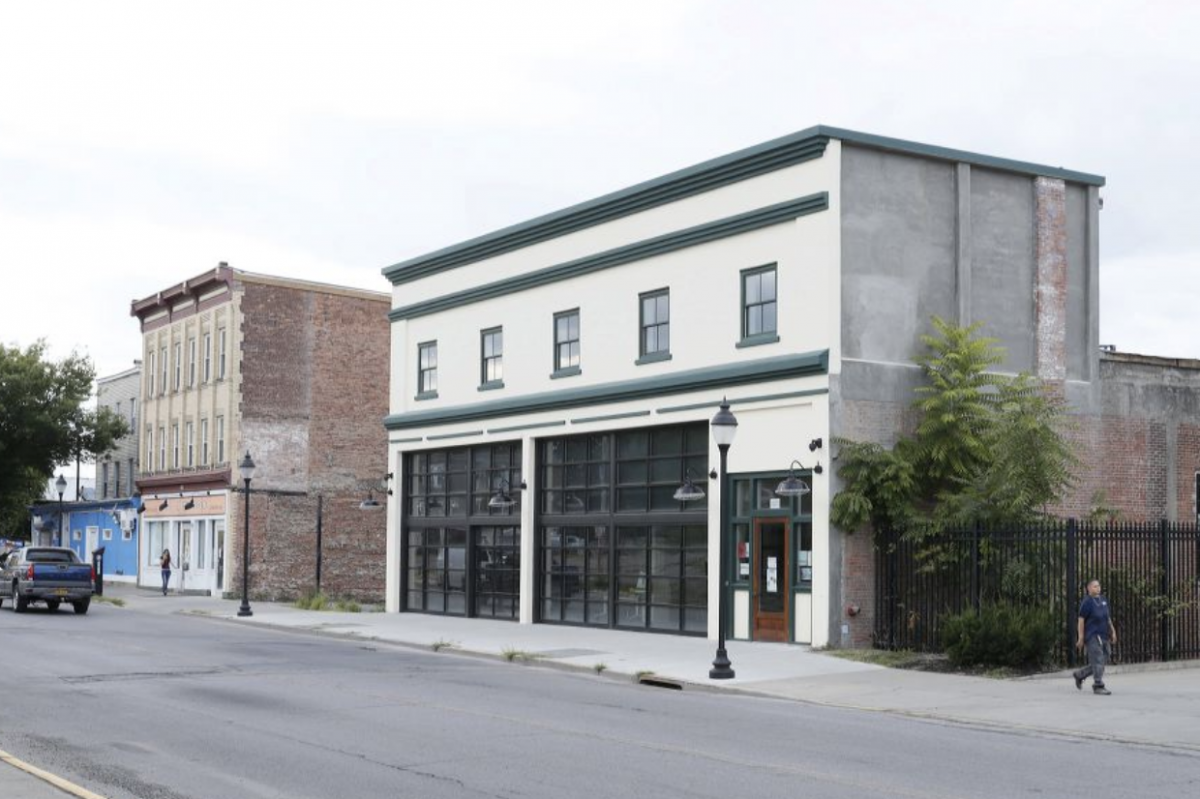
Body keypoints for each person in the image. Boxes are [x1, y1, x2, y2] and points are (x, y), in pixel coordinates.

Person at [1073, 578, 1117, 695]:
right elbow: (1081, 620)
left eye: (1098, 586)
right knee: (1098, 659)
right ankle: (1098, 685)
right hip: (1092, 635)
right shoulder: (1087, 602)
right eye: (1094, 586)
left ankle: (1080, 674)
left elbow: (1107, 617)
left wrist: (1113, 631)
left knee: (1104, 658)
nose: (1097, 588)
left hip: (1104, 634)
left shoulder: (1103, 600)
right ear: (1088, 588)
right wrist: (1081, 637)